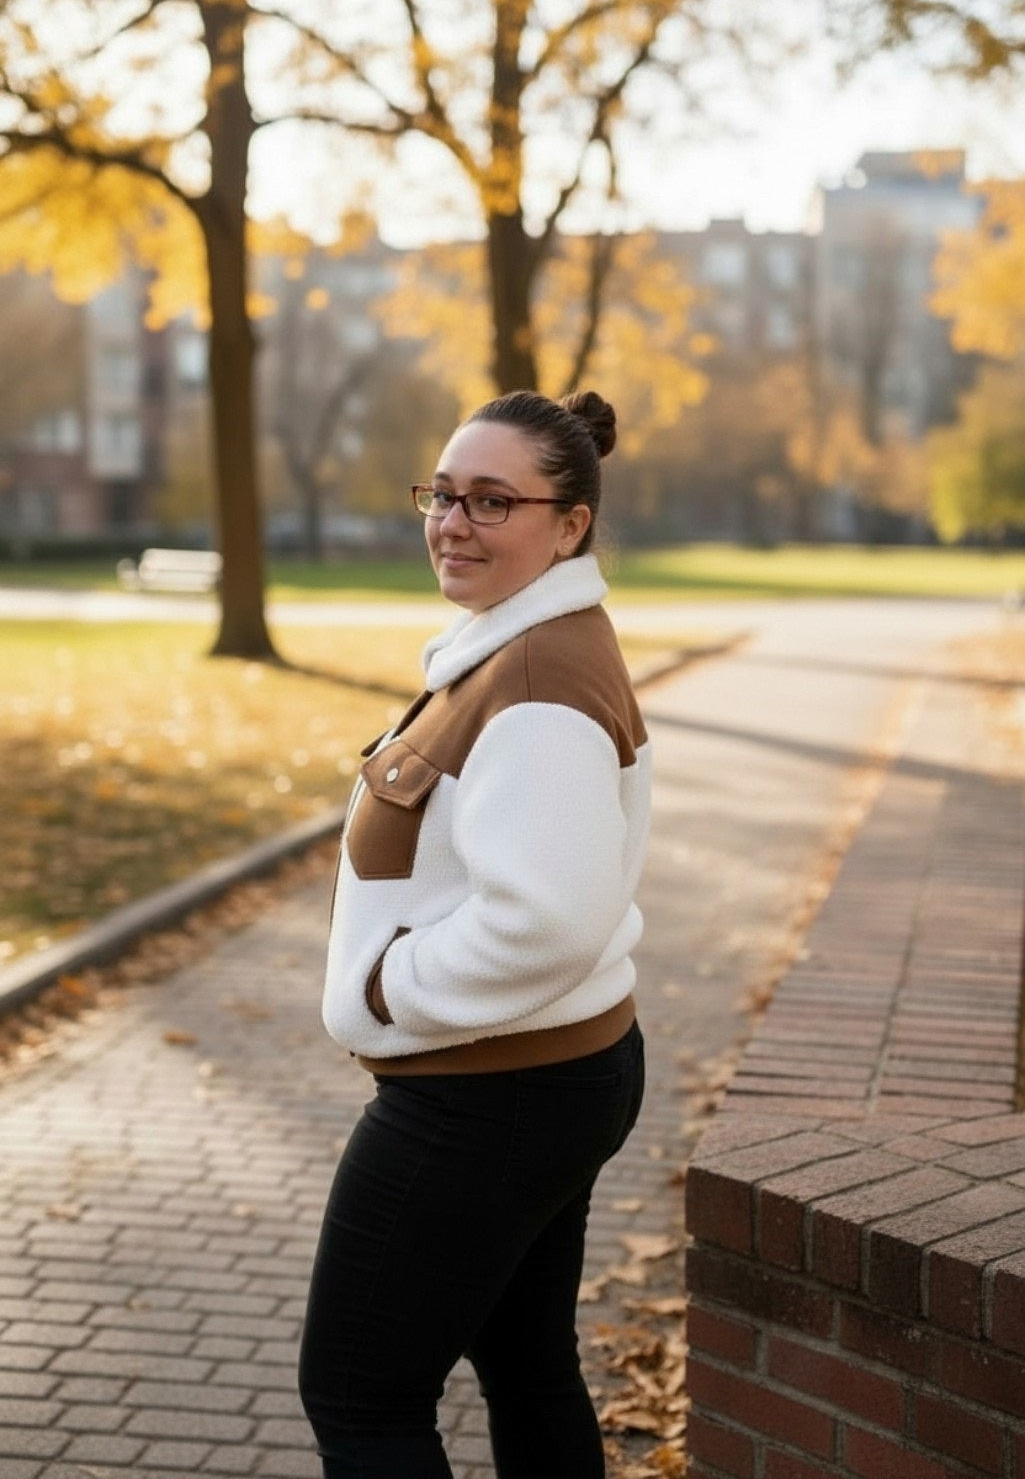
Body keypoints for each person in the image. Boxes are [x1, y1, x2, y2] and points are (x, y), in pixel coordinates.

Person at [299, 388, 651, 1479]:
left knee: (359, 1395)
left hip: (482, 1098)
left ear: (568, 523)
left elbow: (542, 920)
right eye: (442, 494)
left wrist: (384, 988)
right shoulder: (518, 645)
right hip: (542, 1079)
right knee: (528, 1361)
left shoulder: (537, 681)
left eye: (491, 501)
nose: (451, 522)